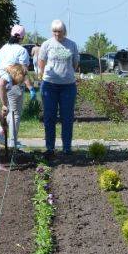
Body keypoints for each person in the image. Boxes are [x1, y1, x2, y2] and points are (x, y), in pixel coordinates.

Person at [37, 20, 80, 157]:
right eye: (54, 31)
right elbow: (41, 62)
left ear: (64, 31)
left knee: (67, 117)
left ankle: (67, 147)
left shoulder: (71, 45)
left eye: (59, 31)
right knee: (49, 117)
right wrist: (42, 75)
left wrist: (66, 74)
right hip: (49, 85)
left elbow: (75, 63)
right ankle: (50, 148)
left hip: (68, 86)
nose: (57, 34)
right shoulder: (46, 44)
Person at [0, 24, 36, 149]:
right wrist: (31, 88)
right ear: (22, 37)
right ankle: (12, 141)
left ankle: (1, 135)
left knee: (8, 111)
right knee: (15, 114)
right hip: (14, 84)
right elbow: (22, 72)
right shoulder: (22, 51)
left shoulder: (3, 48)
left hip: (2, 82)